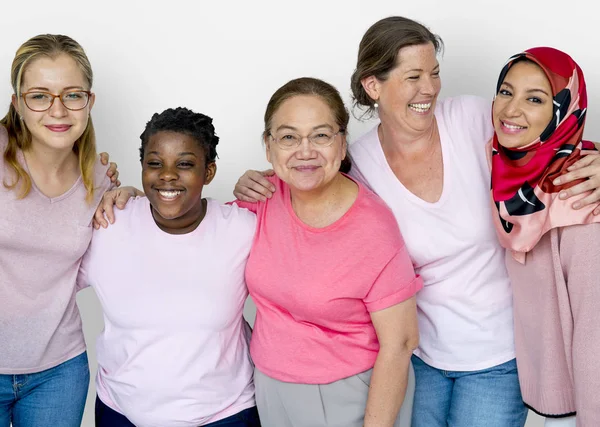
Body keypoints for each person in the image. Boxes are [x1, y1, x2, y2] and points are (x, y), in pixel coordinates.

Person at [232, 17, 600, 427]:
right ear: (374, 86)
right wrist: (254, 181)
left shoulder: (472, 119)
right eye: (413, 76)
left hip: (500, 357)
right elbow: (308, 176)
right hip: (419, 357)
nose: (430, 88)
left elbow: (547, 139)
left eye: (434, 73)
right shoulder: (358, 163)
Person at [98, 77, 422, 426]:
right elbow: (187, 218)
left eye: (321, 135)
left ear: (342, 144)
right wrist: (130, 197)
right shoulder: (262, 202)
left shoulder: (373, 226)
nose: (305, 150)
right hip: (269, 393)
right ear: (269, 148)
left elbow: (400, 343)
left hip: (348, 394)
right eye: (288, 137)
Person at [78, 107, 260, 427]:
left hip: (224, 414)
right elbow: (46, 278)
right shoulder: (108, 224)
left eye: (185, 164)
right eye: (154, 164)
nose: (167, 175)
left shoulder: (242, 229)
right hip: (121, 412)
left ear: (209, 171)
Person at [0, 34, 118, 427]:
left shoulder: (101, 179)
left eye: (71, 95)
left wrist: (129, 195)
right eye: (39, 95)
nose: (58, 110)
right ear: (17, 103)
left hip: (59, 371)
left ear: (89, 102)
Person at [489, 47, 600, 427]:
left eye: (535, 99)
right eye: (506, 91)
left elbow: (595, 339)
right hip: (540, 396)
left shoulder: (581, 201)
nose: (511, 110)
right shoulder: (506, 170)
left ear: (564, 113)